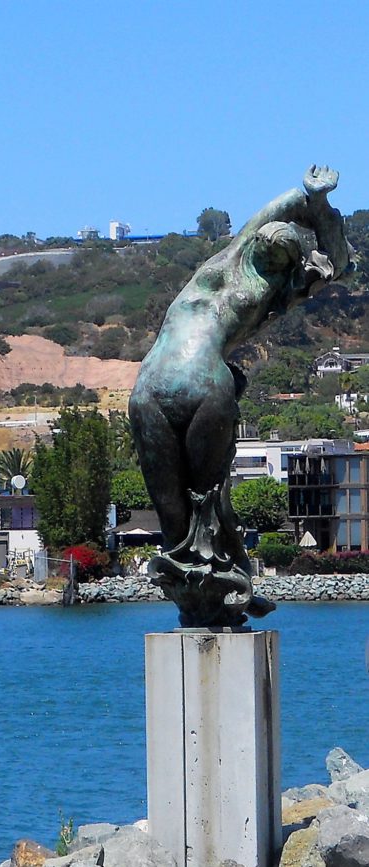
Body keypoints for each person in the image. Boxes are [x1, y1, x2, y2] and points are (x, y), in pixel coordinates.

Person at [129, 166, 353, 626]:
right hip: (180, 385)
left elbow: (328, 247)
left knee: (188, 502)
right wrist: (317, 200)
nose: (271, 245)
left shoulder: (229, 272)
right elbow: (322, 242)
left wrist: (314, 202)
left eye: (279, 249)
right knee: (196, 501)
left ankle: (224, 587)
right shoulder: (254, 283)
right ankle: (226, 586)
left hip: (160, 385)